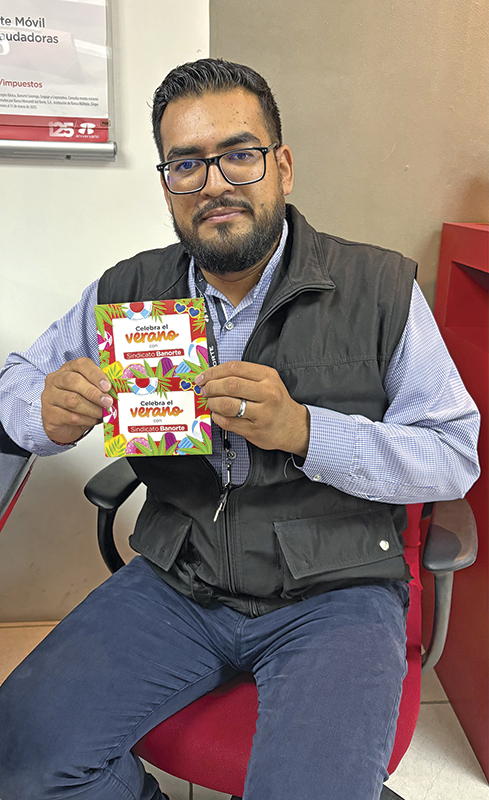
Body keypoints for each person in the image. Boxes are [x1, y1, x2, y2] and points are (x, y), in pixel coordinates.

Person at [0, 58, 480, 800]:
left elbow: (451, 457)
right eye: (186, 164)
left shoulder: (379, 287)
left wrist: (305, 431)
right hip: (180, 578)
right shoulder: (128, 291)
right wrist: (41, 410)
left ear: (281, 166)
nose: (214, 183)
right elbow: (16, 382)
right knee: (19, 756)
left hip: (336, 591)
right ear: (167, 184)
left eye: (238, 154)